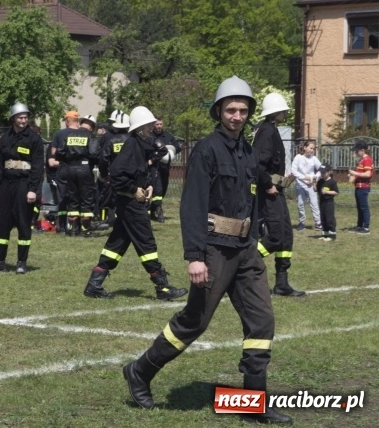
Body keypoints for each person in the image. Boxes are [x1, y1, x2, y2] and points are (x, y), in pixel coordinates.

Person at [122, 76, 292, 425]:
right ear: (219, 111)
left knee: (262, 321)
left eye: (243, 110)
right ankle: (140, 371)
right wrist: (194, 256)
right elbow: (193, 205)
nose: (237, 116)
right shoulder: (206, 150)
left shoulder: (247, 151)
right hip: (215, 250)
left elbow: (251, 199)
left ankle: (253, 403)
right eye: (230, 109)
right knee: (194, 321)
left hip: (245, 250)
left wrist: (255, 243)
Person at [83, 106, 186, 301]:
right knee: (146, 243)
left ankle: (94, 284)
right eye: (148, 126)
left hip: (130, 202)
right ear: (140, 128)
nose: (151, 128)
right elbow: (117, 173)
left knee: (116, 244)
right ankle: (162, 287)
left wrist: (146, 186)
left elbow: (144, 168)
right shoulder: (132, 145)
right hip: (130, 204)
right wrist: (133, 189)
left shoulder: (141, 145)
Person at [0, 102, 44, 274]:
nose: (23, 120)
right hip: (6, 184)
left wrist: (33, 189)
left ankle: (21, 261)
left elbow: (38, 167)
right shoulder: (6, 138)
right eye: (20, 117)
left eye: (25, 117)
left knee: (23, 223)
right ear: (13, 118)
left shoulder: (34, 139)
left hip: (24, 184)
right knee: (1, 223)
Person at [253, 93, 305, 297]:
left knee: (285, 237)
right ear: (276, 112)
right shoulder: (266, 132)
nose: (286, 113)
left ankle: (282, 283)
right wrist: (268, 185)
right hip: (269, 193)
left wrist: (281, 181)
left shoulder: (270, 130)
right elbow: (258, 164)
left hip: (277, 190)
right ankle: (244, 261)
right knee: (274, 237)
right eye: (284, 110)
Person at [51, 114, 100, 236]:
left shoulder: (69, 135)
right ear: (92, 127)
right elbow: (94, 153)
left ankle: (73, 229)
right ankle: (85, 229)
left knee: (73, 199)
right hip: (85, 169)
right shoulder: (91, 136)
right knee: (86, 198)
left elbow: (59, 153)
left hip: (70, 169)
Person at [97, 110, 130, 225]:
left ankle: (111, 220)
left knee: (112, 198)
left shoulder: (110, 140)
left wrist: (104, 174)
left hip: (114, 175)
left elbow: (103, 158)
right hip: (130, 175)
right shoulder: (133, 140)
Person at [148, 116, 181, 223]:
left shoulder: (168, 136)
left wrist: (171, 152)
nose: (159, 126)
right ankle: (159, 211)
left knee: (164, 188)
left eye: (160, 124)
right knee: (157, 189)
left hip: (165, 167)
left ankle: (152, 210)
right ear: (153, 125)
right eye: (157, 124)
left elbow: (178, 147)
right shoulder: (150, 136)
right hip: (153, 167)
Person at [291, 140, 322, 230]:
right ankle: (302, 222)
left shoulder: (314, 158)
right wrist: (304, 178)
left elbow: (321, 169)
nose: (312, 150)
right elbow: (294, 171)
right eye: (310, 148)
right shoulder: (298, 158)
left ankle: (318, 222)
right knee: (301, 204)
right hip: (300, 185)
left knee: (314, 204)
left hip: (311, 185)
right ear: (305, 147)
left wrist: (315, 177)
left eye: (313, 148)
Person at [347, 140, 373, 234]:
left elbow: (368, 174)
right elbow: (360, 174)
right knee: (359, 207)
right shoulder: (361, 160)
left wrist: (355, 173)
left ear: (362, 150)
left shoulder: (367, 159)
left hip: (363, 187)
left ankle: (366, 227)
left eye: (357, 151)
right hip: (358, 186)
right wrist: (352, 176)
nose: (356, 153)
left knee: (364, 207)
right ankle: (359, 226)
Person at [316, 164, 339, 241]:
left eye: (324, 173)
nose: (322, 174)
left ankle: (332, 235)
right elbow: (316, 190)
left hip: (329, 203)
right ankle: (325, 234)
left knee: (329, 219)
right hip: (321, 202)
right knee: (323, 218)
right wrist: (313, 183)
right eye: (321, 173)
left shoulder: (332, 182)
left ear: (329, 172)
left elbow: (336, 192)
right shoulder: (320, 181)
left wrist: (327, 192)